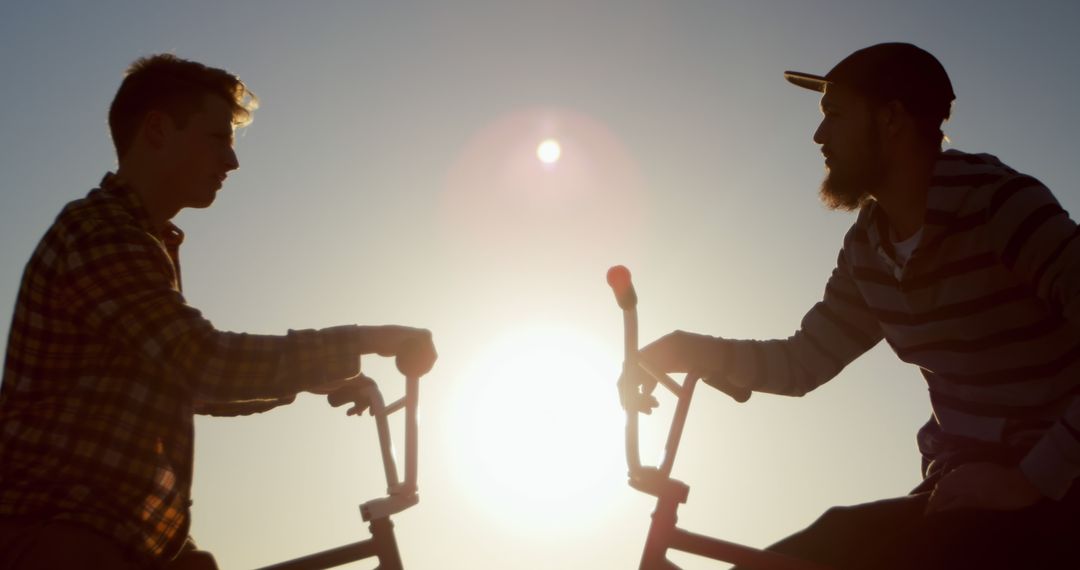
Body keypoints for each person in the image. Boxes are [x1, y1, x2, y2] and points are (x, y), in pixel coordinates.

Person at [639, 43, 1080, 569]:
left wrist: (1030, 479)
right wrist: (683, 349)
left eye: (834, 115)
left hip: (1055, 489)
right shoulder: (868, 248)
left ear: (891, 118)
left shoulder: (999, 206)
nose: (819, 136)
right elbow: (804, 360)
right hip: (959, 486)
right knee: (817, 547)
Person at [0, 54, 437, 569]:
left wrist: (320, 375)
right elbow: (202, 362)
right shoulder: (102, 235)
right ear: (158, 130)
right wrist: (366, 339)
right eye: (218, 139)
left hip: (118, 531)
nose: (232, 162)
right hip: (61, 537)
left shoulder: (140, 239)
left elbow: (185, 377)